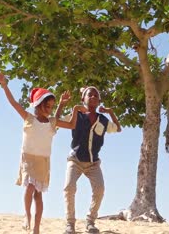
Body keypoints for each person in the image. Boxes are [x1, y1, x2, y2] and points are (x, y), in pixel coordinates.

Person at [0, 72, 75, 234]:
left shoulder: (52, 123)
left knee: (38, 194)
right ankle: (27, 216)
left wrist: (72, 108)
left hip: (43, 161)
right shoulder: (29, 118)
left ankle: (37, 228)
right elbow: (13, 103)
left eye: (51, 107)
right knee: (31, 186)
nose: (49, 109)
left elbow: (71, 125)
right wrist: (4, 85)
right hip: (28, 158)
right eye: (46, 106)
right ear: (38, 104)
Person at [55, 86, 122, 234]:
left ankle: (90, 221)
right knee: (69, 188)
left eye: (96, 96)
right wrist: (61, 104)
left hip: (93, 162)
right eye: (89, 95)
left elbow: (118, 128)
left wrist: (111, 112)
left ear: (99, 101)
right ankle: (70, 224)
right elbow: (56, 121)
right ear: (83, 99)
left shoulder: (103, 120)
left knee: (99, 189)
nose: (93, 97)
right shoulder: (76, 115)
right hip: (76, 159)